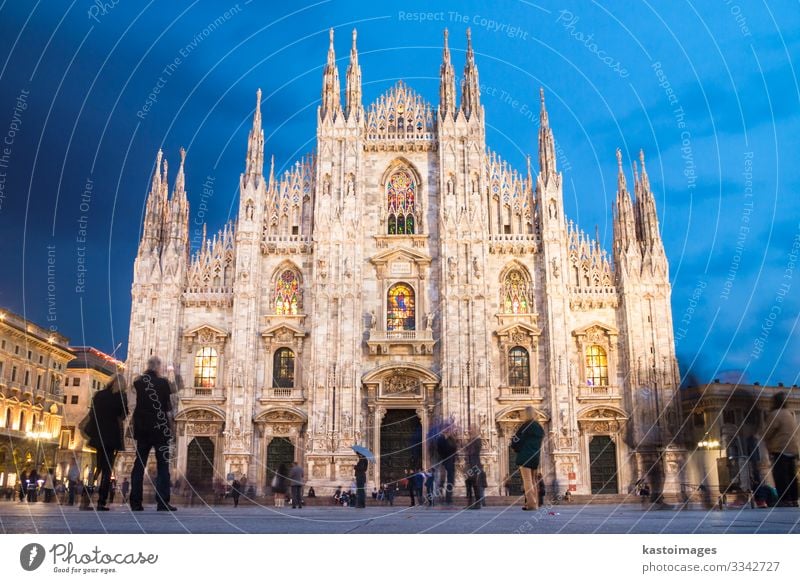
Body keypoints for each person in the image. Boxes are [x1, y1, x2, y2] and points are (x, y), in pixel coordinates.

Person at [130, 357, 176, 512]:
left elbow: (133, 390)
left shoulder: (139, 382)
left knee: (139, 464)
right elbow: (169, 402)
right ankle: (162, 502)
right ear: (158, 368)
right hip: (159, 428)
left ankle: (135, 502)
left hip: (142, 427)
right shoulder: (163, 383)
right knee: (163, 466)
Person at [763, 392, 799, 507]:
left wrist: (764, 439)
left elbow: (769, 431)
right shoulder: (789, 413)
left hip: (780, 448)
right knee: (791, 475)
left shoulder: (775, 414)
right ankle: (793, 499)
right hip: (792, 448)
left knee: (780, 475)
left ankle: (784, 499)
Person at [511, 406, 545, 510]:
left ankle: (531, 504)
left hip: (525, 456)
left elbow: (516, 440)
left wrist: (515, 448)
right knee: (534, 481)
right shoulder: (539, 427)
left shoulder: (525, 426)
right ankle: (535, 503)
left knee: (527, 481)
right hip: (535, 457)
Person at [464, 427, 484, 509]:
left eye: (471, 431)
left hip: (475, 465)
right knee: (468, 484)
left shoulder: (478, 441)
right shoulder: (471, 441)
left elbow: (474, 452)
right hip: (469, 465)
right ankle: (469, 503)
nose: (469, 432)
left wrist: (468, 446)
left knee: (475, 484)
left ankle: (478, 503)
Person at [436, 429, 457, 504]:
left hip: (451, 462)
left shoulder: (451, 439)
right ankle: (441, 497)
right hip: (444, 462)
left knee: (450, 481)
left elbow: (454, 449)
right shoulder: (441, 439)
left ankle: (449, 498)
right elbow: (441, 450)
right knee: (442, 480)